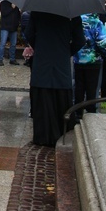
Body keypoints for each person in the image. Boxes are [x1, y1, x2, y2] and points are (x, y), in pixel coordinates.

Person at [25, 11, 85, 147]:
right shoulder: (72, 14)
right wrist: (66, 51)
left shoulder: (37, 12)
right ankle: (61, 134)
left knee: (42, 100)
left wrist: (40, 47)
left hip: (42, 63)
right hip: (61, 63)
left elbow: (29, 34)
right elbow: (80, 40)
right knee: (61, 101)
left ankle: (42, 136)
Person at [72, 12, 106, 120]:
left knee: (79, 87)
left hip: (78, 59)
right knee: (91, 88)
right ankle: (90, 113)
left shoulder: (77, 21)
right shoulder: (97, 22)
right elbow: (103, 42)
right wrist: (103, 53)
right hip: (93, 60)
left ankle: (78, 112)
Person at [0, 0, 21, 66]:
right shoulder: (3, 3)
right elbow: (4, 13)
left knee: (13, 44)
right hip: (5, 27)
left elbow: (18, 15)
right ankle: (0, 59)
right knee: (3, 43)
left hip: (14, 27)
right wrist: (11, 8)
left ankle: (12, 59)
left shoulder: (15, 3)